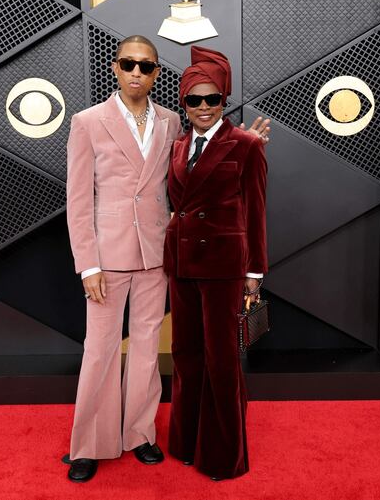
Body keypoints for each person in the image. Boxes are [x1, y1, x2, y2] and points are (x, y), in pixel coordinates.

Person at [64, 35, 179, 483]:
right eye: (128, 64)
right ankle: (90, 443)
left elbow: (190, 171)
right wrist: (87, 264)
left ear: (155, 73)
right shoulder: (88, 121)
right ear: (115, 67)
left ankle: (140, 433)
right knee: (100, 351)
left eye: (145, 66)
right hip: (107, 257)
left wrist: (244, 143)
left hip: (156, 254)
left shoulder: (170, 122)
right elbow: (78, 198)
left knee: (148, 350)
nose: (136, 72)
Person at [164, 45, 268, 481]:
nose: (204, 108)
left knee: (221, 360)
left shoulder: (246, 146)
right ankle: (186, 441)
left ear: (225, 101)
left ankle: (224, 454)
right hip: (182, 265)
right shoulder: (178, 144)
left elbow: (257, 211)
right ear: (184, 103)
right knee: (186, 356)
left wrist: (255, 273)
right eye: (194, 100)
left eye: (213, 100)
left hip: (224, 267)